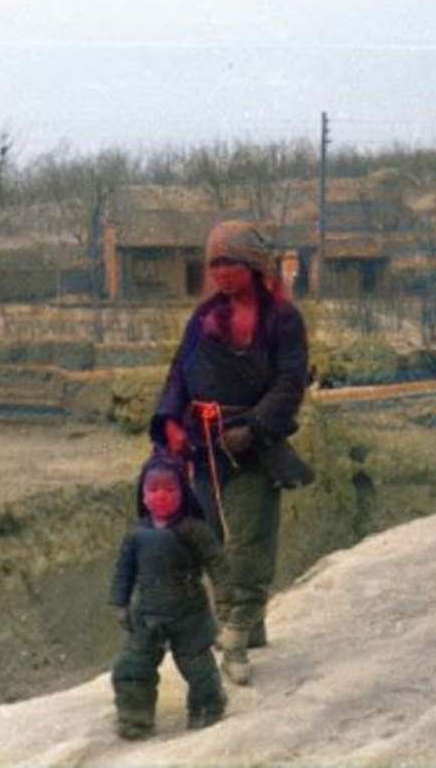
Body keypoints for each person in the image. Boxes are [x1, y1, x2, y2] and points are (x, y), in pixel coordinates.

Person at [151, 219, 310, 686]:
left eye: (231, 263)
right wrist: (171, 421)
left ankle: (236, 638)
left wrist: (256, 426)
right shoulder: (203, 319)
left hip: (252, 448)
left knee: (247, 542)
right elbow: (179, 372)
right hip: (205, 448)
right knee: (216, 541)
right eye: (214, 263)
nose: (221, 273)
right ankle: (252, 623)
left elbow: (289, 382)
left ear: (254, 266)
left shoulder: (282, 320)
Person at [109, 452, 230, 740]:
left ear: (183, 492)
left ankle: (208, 707)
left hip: (189, 614)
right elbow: (123, 571)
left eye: (169, 489)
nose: (160, 496)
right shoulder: (136, 534)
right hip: (147, 615)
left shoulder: (194, 530)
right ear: (142, 494)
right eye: (153, 489)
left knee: (197, 667)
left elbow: (218, 563)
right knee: (132, 667)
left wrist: (225, 596)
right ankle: (135, 717)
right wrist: (119, 603)